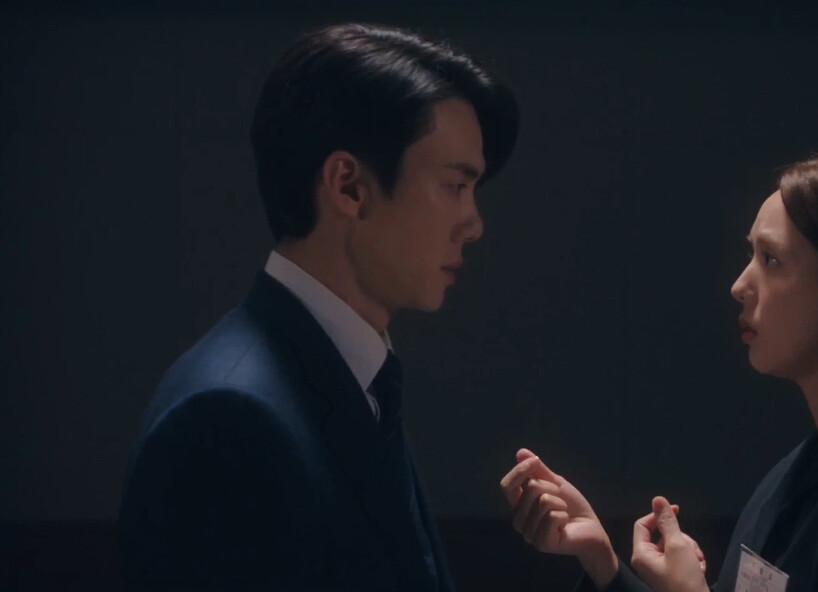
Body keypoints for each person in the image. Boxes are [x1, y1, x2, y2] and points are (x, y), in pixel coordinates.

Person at [118, 23, 518, 591]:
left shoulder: (349, 375)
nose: (473, 225)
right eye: (455, 186)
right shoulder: (231, 420)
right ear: (348, 186)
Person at [501, 149, 818, 592]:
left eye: (771, 259)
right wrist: (603, 563)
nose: (739, 285)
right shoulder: (802, 470)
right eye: (751, 254)